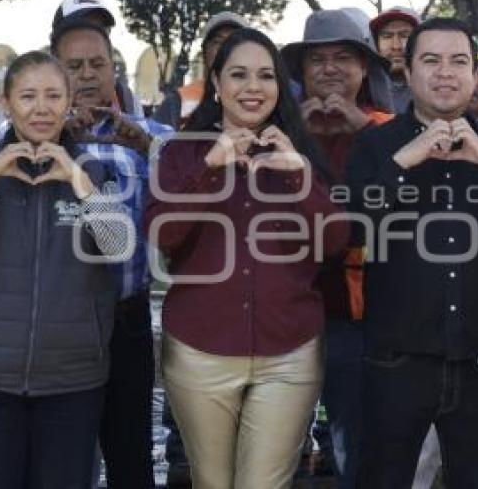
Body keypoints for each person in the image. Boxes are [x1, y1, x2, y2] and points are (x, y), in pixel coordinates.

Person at [347, 17, 478, 489]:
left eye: (459, 61)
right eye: (431, 60)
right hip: (395, 361)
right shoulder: (377, 144)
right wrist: (405, 161)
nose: (446, 72)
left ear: (476, 74)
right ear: (408, 71)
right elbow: (351, 227)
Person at [145, 27, 348, 489]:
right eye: (238, 75)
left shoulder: (302, 155)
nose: (252, 87)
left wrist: (299, 176)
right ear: (217, 84)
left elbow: (335, 241)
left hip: (289, 351)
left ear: (280, 87)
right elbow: (162, 235)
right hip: (200, 349)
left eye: (265, 76)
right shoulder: (182, 152)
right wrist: (210, 166)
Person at [0, 51, 129, 488]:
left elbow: (119, 248)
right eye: (28, 96)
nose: (40, 108)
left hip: (73, 378)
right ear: (7, 103)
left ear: (68, 104)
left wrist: (79, 182)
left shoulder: (95, 172)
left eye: (52, 96)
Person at [50, 18, 172, 489]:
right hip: (61, 325)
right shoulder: (30, 134)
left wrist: (148, 147)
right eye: (74, 65)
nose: (87, 75)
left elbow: (196, 185)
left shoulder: (148, 132)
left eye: (97, 63)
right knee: (64, 462)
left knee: (131, 460)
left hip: (127, 318)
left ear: (113, 67)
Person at [280, 8, 394, 489]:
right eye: (317, 59)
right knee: (277, 446)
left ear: (364, 68)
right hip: (282, 312)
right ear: (302, 73)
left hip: (359, 316)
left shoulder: (388, 129)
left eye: (343, 58)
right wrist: (292, 138)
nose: (329, 69)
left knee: (356, 445)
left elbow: (402, 208)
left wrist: (362, 130)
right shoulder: (276, 130)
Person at [155, 11, 249, 129]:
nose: (226, 48)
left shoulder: (260, 100)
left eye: (235, 42)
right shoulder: (178, 102)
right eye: (217, 42)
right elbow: (154, 144)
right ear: (204, 51)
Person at [369, 6, 421, 113]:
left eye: (404, 36)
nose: (396, 46)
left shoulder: (437, 87)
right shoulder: (364, 90)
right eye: (387, 36)